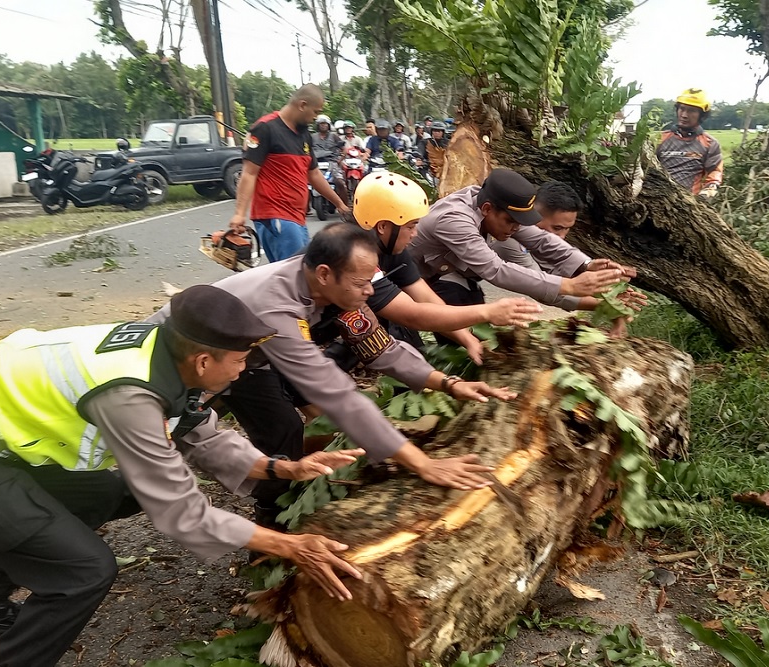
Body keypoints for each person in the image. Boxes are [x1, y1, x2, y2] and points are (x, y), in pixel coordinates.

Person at [0, 286, 366, 667]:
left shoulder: (167, 352)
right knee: (85, 570)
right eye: (240, 361)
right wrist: (288, 545)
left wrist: (282, 467)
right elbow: (181, 512)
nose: (244, 372)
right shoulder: (131, 394)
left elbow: (201, 432)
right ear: (203, 361)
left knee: (113, 494)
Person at [146, 224, 505, 527]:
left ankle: (274, 512)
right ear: (324, 274)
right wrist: (423, 464)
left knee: (283, 429)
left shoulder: (336, 293)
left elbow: (381, 348)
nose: (370, 292)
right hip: (181, 356)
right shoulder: (278, 306)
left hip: (246, 358)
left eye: (371, 281)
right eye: (361, 283)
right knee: (175, 438)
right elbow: (337, 395)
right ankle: (268, 528)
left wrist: (448, 383)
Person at [343, 172, 542, 363]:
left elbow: (427, 299)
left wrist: (468, 339)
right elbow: (413, 315)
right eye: (410, 226)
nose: (415, 234)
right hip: (330, 336)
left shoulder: (392, 250)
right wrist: (487, 312)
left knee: (413, 354)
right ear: (383, 226)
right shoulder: (356, 261)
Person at [408, 169, 637, 314]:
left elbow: (541, 240)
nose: (516, 228)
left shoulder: (497, 207)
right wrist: (569, 285)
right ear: (487, 209)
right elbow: (496, 270)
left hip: (434, 278)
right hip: (401, 282)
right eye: (511, 222)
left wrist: (586, 265)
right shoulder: (455, 220)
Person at [229, 84, 348, 262]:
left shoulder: (304, 134)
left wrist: (339, 204)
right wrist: (239, 214)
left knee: (298, 271)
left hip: (297, 217)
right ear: (302, 105)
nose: (315, 117)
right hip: (276, 215)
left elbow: (314, 174)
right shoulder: (265, 128)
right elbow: (249, 173)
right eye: (315, 112)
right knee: (295, 272)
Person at [490, 180, 582, 273]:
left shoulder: (546, 245)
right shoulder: (509, 239)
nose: (562, 236)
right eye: (557, 228)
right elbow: (539, 279)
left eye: (567, 228)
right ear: (535, 217)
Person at [656, 88, 723, 198]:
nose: (684, 115)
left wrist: (708, 191)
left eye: (691, 111)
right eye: (682, 109)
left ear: (702, 115)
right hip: (659, 198)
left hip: (689, 202)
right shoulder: (659, 139)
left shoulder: (710, 143)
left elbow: (714, 173)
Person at [311, 113, 346, 196]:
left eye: (325, 124)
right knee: (305, 183)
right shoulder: (312, 137)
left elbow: (344, 149)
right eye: (321, 124)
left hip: (332, 163)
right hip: (316, 163)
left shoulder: (334, 136)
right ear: (318, 125)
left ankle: (345, 203)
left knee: (340, 183)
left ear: (328, 125)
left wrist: (340, 160)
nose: (323, 126)